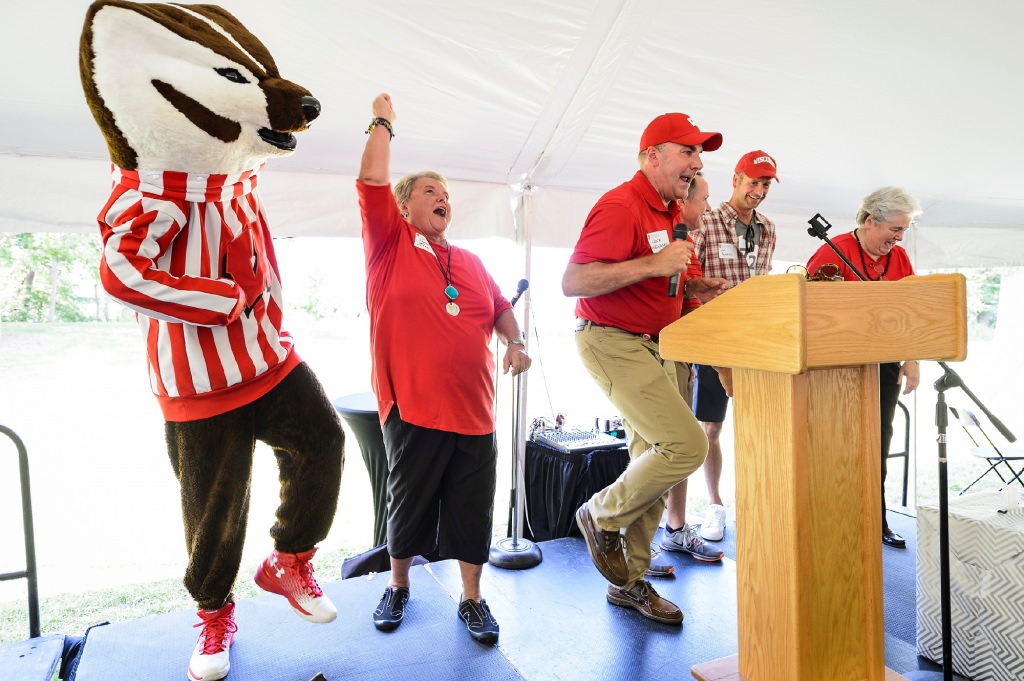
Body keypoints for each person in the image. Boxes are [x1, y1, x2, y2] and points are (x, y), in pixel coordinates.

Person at [356, 92, 532, 643]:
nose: (443, 199)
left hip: (476, 413)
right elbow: (371, 181)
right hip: (413, 406)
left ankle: (473, 600)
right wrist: (383, 121)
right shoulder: (389, 245)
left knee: (470, 512)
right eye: (431, 191)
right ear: (405, 206)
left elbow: (500, 307)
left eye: (447, 195)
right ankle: (399, 585)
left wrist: (515, 342)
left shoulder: (473, 262)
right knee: (406, 506)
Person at [563, 112, 729, 625]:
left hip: (662, 343)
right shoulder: (620, 205)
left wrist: (695, 288)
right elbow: (574, 281)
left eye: (699, 155)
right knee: (686, 445)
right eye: (688, 152)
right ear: (651, 156)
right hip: (612, 340)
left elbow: (671, 281)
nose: (697, 164)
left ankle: (629, 583)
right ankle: (601, 513)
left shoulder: (671, 213)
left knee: (655, 460)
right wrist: (655, 267)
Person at [806, 186, 922, 549]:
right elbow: (808, 309)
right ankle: (830, 521)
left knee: (878, 444)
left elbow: (912, 310)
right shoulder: (832, 250)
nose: (899, 238)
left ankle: (876, 520)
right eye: (895, 229)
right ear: (871, 220)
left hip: (883, 366)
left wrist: (912, 358)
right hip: (835, 368)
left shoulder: (900, 259)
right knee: (836, 446)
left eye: (904, 230)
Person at [688, 150, 779, 543]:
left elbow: (764, 280)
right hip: (714, 340)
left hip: (757, 341)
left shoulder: (770, 229)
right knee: (711, 427)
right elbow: (690, 275)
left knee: (763, 426)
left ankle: (761, 503)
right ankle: (714, 505)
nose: (758, 191)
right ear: (736, 179)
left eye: (765, 185)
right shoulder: (705, 220)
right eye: (753, 182)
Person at [659, 173, 727, 562]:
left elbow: (689, 303)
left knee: (685, 441)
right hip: (647, 352)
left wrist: (697, 289)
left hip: (683, 355)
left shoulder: (688, 249)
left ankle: (675, 527)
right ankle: (631, 539)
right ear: (682, 202)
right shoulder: (654, 234)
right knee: (664, 445)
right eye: (703, 200)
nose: (707, 208)